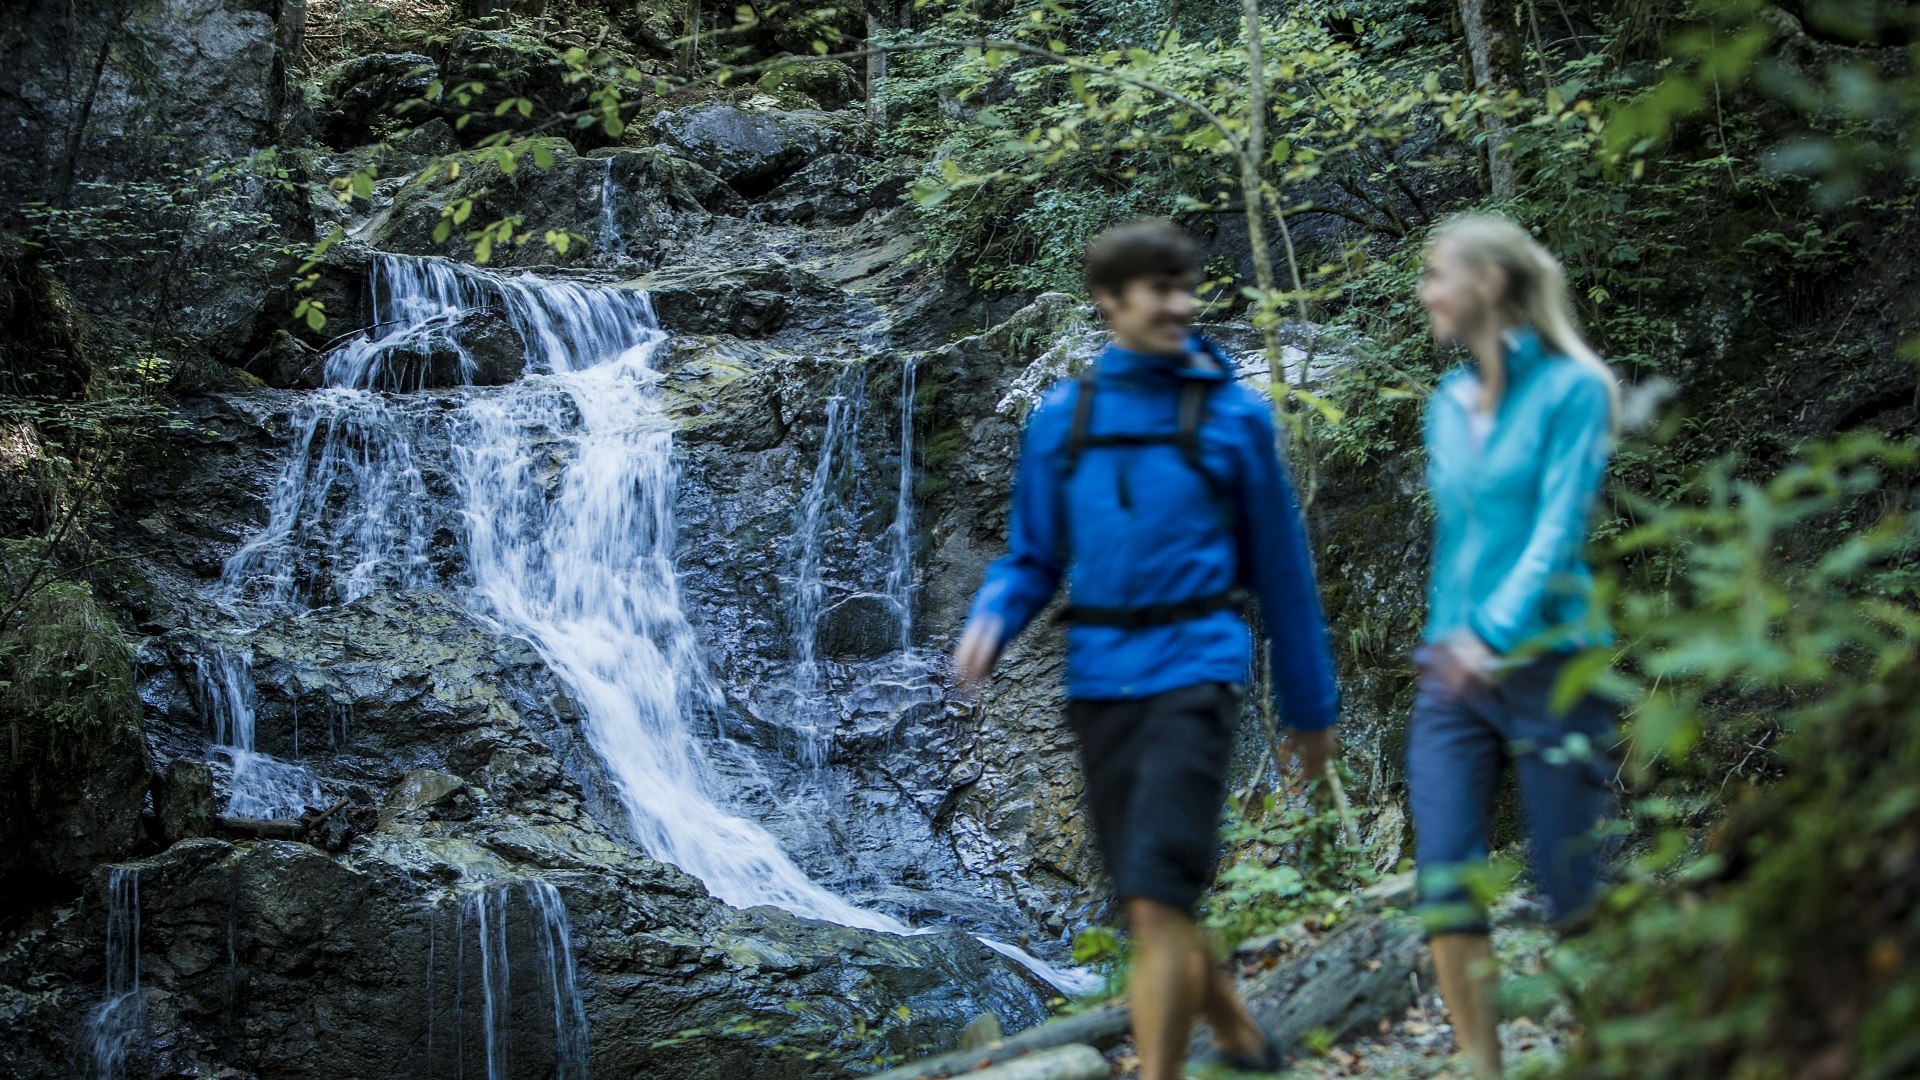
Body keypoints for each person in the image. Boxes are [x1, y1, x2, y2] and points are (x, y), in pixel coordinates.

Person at [953, 219, 1341, 1080]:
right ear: (1109, 302)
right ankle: (1237, 1030)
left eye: (1186, 286)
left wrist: (1313, 713)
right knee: (1147, 899)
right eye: (1158, 290)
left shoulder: (1233, 418)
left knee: (1161, 898)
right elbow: (1032, 558)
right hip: (1098, 683)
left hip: (1197, 670)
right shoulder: (1065, 420)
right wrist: (990, 620)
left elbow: (1285, 577)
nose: (1179, 305)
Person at [1408, 213, 1622, 1079]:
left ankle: (1613, 1048)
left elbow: (1556, 531)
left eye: (1436, 275)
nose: (1426, 294)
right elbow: (1459, 543)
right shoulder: (1447, 405)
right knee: (1446, 878)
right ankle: (1481, 1067)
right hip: (1454, 676)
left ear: (1487, 286)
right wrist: (1448, 644)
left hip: (1553, 664)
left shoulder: (1574, 389)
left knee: (1572, 890)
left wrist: (1489, 635)